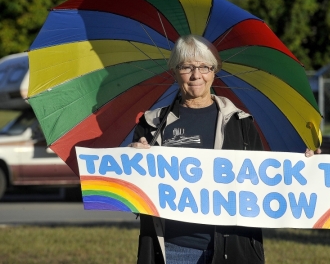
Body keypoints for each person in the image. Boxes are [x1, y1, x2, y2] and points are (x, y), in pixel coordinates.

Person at [129, 34, 319, 264]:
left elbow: (267, 182)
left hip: (233, 248)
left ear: (214, 70)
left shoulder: (241, 123)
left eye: (204, 67)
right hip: (175, 249)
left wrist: (306, 167)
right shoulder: (151, 126)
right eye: (186, 66)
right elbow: (135, 199)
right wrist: (132, 163)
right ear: (174, 70)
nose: (196, 74)